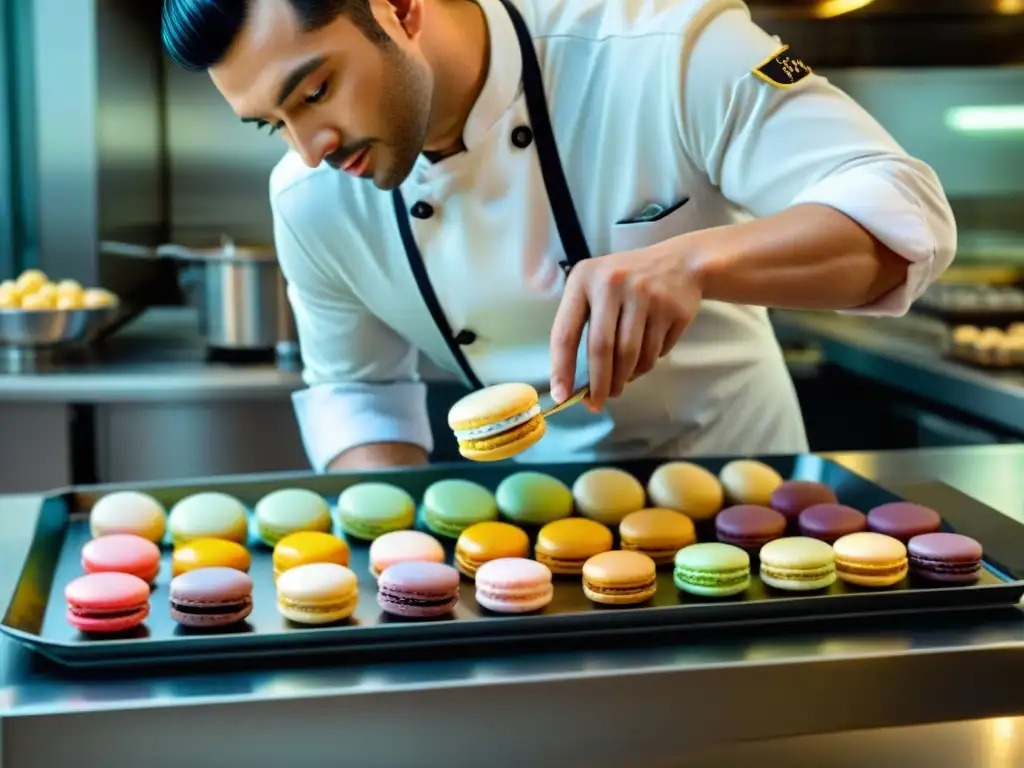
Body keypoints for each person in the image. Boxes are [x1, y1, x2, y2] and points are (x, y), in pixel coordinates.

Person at [161, 0, 956, 472]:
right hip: (533, 547)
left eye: (316, 90)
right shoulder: (309, 198)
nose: (312, 149)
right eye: (274, 125)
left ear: (401, 8)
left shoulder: (661, 47)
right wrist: (396, 564)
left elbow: (902, 212)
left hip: (752, 507)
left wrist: (693, 260)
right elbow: (357, 391)